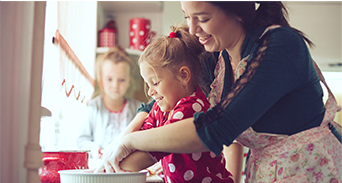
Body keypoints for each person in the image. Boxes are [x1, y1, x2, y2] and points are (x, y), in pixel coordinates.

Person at [98, 2, 342, 182]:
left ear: (235, 10)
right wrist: (121, 142)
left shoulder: (280, 46)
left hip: (314, 171)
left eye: (202, 18)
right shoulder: (216, 57)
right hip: (267, 173)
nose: (193, 29)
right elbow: (156, 103)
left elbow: (215, 128)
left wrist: (130, 141)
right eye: (187, 17)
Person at [119, 25, 234, 182]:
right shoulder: (161, 108)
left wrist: (114, 165)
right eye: (148, 84)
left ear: (183, 76)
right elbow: (144, 132)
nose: (150, 92)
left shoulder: (193, 106)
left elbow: (152, 150)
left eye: (155, 83)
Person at [76, 45, 141, 159]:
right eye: (109, 79)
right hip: (100, 166)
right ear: (101, 81)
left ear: (129, 81)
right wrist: (95, 149)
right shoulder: (93, 107)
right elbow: (82, 140)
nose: (115, 85)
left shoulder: (138, 109)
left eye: (121, 80)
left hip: (128, 166)